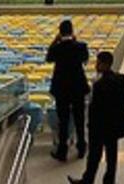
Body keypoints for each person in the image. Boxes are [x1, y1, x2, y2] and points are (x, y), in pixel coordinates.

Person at [69, 51, 124, 184]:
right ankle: (109, 180)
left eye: (98, 62)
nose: (96, 65)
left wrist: (90, 123)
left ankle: (88, 180)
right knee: (112, 155)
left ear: (105, 64)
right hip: (114, 123)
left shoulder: (98, 84)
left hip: (99, 125)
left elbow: (95, 107)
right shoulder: (122, 78)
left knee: (94, 155)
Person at [47, 19, 89, 162]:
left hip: (62, 89)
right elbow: (85, 59)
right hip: (77, 87)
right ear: (72, 31)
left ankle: (62, 150)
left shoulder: (56, 48)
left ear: (60, 32)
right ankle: (81, 147)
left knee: (63, 121)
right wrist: (75, 41)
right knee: (80, 119)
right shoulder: (81, 46)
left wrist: (55, 41)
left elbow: (48, 58)